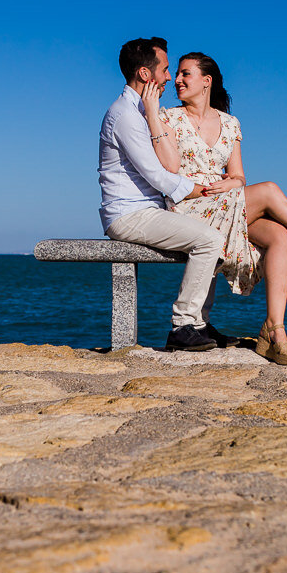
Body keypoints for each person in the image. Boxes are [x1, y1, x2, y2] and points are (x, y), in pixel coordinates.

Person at [141, 52, 287, 365]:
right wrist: (150, 115)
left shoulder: (230, 124)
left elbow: (239, 175)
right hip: (191, 207)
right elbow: (167, 169)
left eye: (186, 74)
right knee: (269, 191)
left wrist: (233, 183)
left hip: (228, 202)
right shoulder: (167, 117)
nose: (177, 80)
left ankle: (275, 331)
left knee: (279, 234)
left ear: (206, 81)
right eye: (177, 75)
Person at [98, 37, 230, 352]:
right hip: (129, 215)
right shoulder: (125, 115)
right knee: (209, 240)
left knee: (219, 228)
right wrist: (201, 189)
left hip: (150, 211)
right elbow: (157, 174)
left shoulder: (142, 110)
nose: (170, 78)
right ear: (146, 74)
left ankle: (199, 322)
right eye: (166, 69)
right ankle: (183, 325)